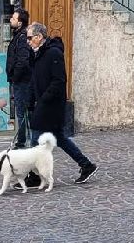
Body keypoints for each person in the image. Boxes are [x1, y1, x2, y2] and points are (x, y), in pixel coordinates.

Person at [26, 21, 98, 184]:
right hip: (43, 104)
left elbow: (59, 81)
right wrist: (29, 100)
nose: (28, 41)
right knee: (59, 138)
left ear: (39, 36)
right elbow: (34, 80)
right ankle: (86, 165)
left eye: (30, 38)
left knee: (36, 138)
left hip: (52, 106)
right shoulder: (37, 54)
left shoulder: (53, 53)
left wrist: (44, 99)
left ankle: (35, 176)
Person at [5, 8, 34, 149]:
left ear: (20, 23)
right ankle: (25, 140)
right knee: (22, 111)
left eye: (13, 18)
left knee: (22, 112)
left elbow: (22, 61)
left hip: (22, 81)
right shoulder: (19, 36)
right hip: (19, 80)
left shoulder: (22, 38)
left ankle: (24, 141)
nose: (11, 20)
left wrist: (15, 77)